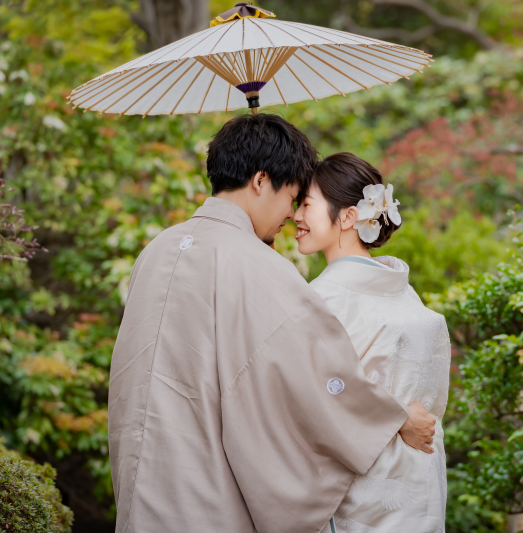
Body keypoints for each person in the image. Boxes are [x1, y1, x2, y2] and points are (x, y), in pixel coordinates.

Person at [108, 114, 437, 533]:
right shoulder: (255, 263)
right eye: (292, 196)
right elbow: (311, 375)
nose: (289, 214)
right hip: (205, 491)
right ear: (262, 181)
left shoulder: (156, 250)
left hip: (141, 483)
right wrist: (393, 418)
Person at [293, 153, 451, 533]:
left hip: (363, 486)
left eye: (307, 204)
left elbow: (313, 396)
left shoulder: (322, 299)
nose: (295, 216)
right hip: (421, 479)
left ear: (347, 217)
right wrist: (401, 417)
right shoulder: (404, 292)